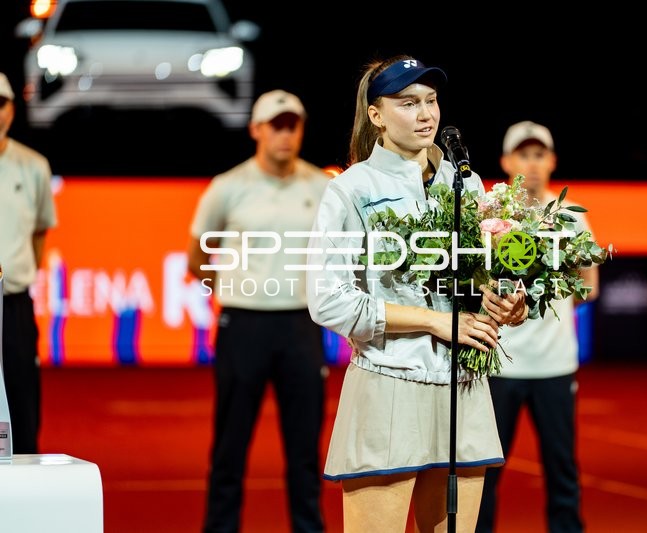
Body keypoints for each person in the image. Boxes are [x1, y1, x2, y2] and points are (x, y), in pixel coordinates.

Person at [305, 55, 528, 532]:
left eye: (431, 101)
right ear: (376, 115)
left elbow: (479, 278)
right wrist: (433, 321)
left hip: (464, 387)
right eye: (408, 103)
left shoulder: (463, 184)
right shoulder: (351, 189)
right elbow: (328, 300)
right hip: (389, 384)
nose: (426, 113)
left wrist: (506, 301)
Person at [187, 89, 330, 533]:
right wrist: (230, 290)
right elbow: (196, 256)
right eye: (277, 125)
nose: (286, 134)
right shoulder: (228, 186)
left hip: (301, 324)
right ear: (256, 129)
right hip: (243, 322)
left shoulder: (323, 187)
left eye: (293, 125)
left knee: (305, 447)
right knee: (230, 445)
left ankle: (309, 527)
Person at [477, 121, 598, 533]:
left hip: (554, 365)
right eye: (523, 154)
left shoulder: (571, 216)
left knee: (561, 467)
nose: (531, 163)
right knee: (487, 468)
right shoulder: (488, 216)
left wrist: (551, 299)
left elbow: (589, 285)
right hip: (498, 366)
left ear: (552, 161)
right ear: (507, 161)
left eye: (539, 154)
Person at [0, 71, 57, 454]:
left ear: (12, 109)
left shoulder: (34, 165)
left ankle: (25, 503)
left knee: (22, 409)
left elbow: (40, 231)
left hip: (13, 302)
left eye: (0, 104)